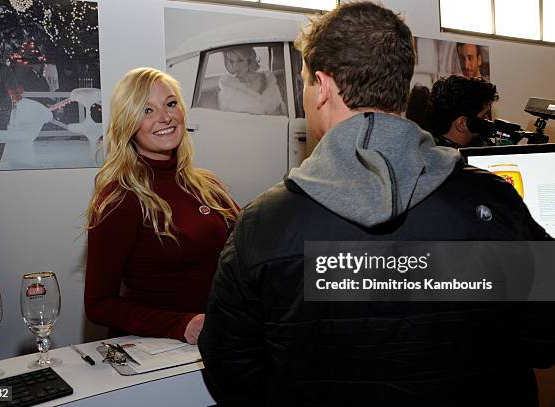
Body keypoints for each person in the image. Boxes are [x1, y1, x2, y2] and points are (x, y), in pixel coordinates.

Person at [198, 2, 554, 406]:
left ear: (323, 86)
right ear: (399, 84)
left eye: (306, 84)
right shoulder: (494, 201)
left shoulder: (264, 223)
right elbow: (542, 340)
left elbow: (230, 368)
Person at [84, 67, 238, 344]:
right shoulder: (119, 198)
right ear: (128, 123)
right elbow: (99, 304)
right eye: (147, 110)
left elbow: (252, 249)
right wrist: (180, 325)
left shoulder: (208, 185)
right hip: (158, 352)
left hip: (219, 341)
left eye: (170, 104)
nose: (165, 117)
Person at [427, 74, 498, 148]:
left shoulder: (426, 153)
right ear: (462, 124)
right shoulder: (458, 158)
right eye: (483, 116)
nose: (488, 120)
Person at [218, 47, 286, 115]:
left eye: (240, 60)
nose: (235, 66)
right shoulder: (228, 89)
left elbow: (281, 109)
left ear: (249, 60)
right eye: (231, 61)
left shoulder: (268, 79)